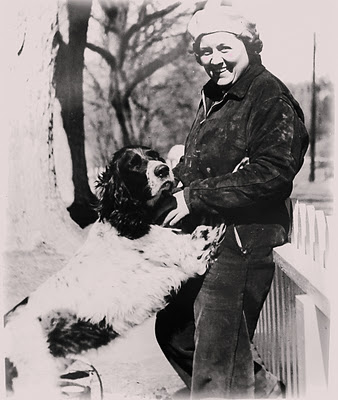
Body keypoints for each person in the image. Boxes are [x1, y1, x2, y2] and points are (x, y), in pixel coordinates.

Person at [155, 1, 309, 399]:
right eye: (206, 51)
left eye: (225, 48)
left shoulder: (268, 96)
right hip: (208, 238)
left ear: (248, 44)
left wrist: (195, 197)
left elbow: (273, 173)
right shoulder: (215, 94)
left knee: (217, 358)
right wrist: (180, 176)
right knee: (177, 331)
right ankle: (262, 391)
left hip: (244, 242)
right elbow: (211, 160)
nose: (215, 59)